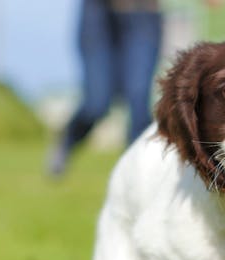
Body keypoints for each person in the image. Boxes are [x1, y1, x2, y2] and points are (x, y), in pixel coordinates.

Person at [47, 0, 163, 176]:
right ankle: (68, 140)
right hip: (99, 15)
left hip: (143, 15)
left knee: (138, 100)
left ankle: (137, 173)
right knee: (97, 103)